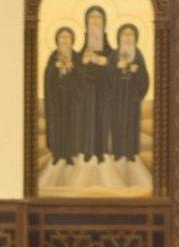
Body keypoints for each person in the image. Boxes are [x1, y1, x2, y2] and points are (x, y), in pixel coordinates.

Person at [108, 24, 149, 162]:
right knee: (118, 123)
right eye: (124, 34)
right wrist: (116, 68)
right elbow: (107, 76)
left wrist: (137, 72)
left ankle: (130, 153)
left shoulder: (138, 54)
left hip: (132, 95)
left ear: (135, 38)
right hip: (118, 95)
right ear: (119, 37)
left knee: (131, 123)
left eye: (130, 34)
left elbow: (145, 77)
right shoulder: (114, 54)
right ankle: (118, 152)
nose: (127, 37)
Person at [76, 6, 112, 163]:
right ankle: (87, 151)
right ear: (86, 23)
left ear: (104, 23)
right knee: (87, 120)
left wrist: (105, 62)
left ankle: (101, 152)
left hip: (103, 91)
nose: (95, 21)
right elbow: (76, 66)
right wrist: (82, 62)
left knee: (101, 120)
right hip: (86, 91)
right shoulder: (83, 48)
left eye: (99, 18)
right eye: (92, 18)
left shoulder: (109, 50)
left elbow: (115, 64)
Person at [44, 27, 81, 166]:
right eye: (62, 37)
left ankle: (69, 155)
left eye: (67, 38)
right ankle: (57, 154)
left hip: (71, 99)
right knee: (58, 125)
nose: (65, 40)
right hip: (57, 98)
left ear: (72, 41)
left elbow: (82, 78)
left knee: (70, 126)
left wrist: (73, 68)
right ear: (57, 40)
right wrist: (55, 68)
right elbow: (47, 76)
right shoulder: (53, 56)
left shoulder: (76, 56)